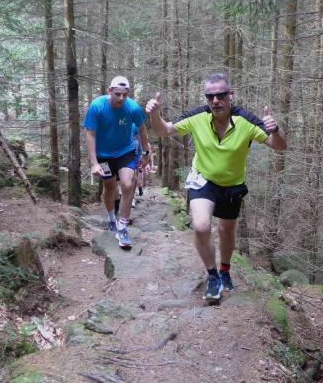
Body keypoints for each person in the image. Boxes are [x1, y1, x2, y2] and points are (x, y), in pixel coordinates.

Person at [146, 72, 286, 302]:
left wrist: (275, 129)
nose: (215, 101)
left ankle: (225, 269)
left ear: (231, 95)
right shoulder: (198, 116)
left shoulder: (246, 120)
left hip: (232, 185)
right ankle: (212, 276)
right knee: (201, 226)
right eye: (210, 96)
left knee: (226, 230)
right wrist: (155, 114)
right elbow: (164, 130)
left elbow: (279, 146)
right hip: (203, 179)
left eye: (221, 95)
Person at [84, 75, 151, 249]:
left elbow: (142, 129)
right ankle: (111, 218)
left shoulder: (133, 108)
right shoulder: (97, 106)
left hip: (125, 151)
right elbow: (90, 133)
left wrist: (145, 153)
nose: (121, 98)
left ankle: (122, 227)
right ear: (110, 91)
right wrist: (94, 162)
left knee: (128, 184)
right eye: (118, 94)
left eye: (125, 95)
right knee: (109, 187)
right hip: (104, 155)